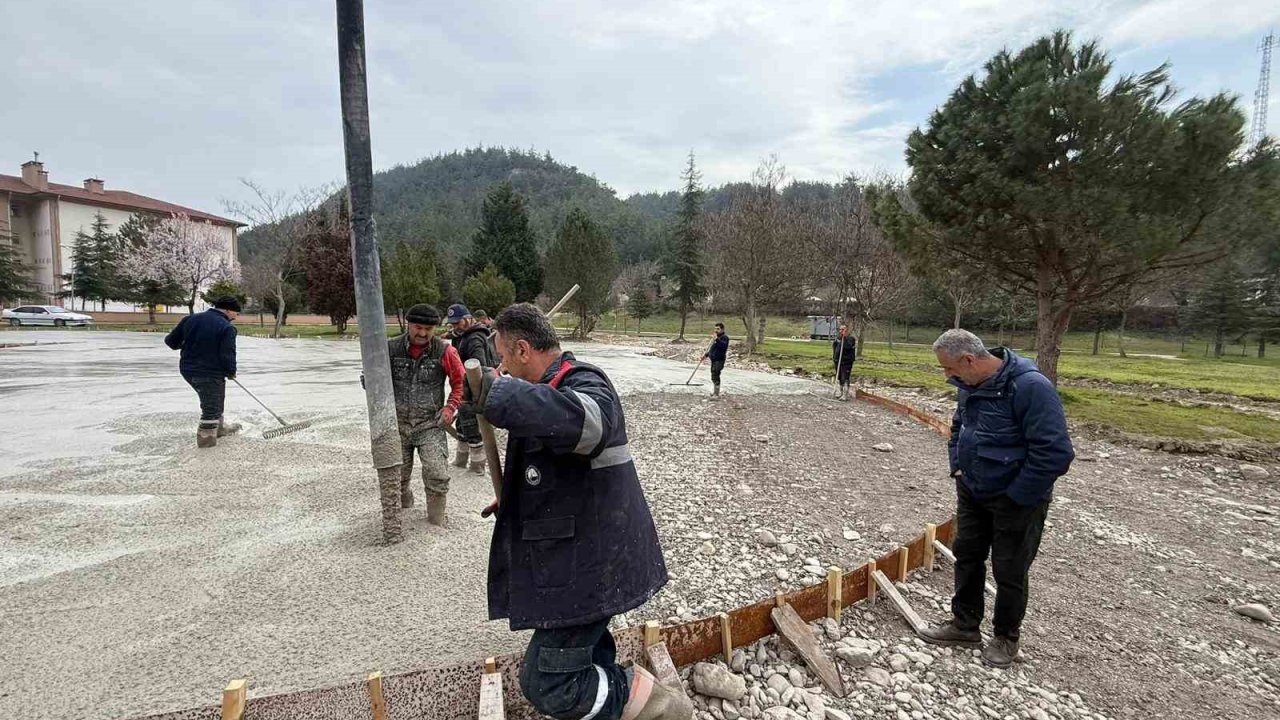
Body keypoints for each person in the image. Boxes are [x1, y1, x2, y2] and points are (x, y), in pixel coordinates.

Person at [464, 303, 688, 720]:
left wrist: (500, 393)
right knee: (585, 654)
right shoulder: (546, 390)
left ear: (523, 349)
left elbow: (588, 429)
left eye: (502, 357)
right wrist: (516, 498)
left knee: (547, 682)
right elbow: (558, 468)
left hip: (593, 564)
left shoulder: (584, 382)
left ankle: (660, 707)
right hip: (581, 557)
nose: (501, 366)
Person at [919, 329, 1074, 669]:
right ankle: (964, 625)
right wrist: (958, 467)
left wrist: (1018, 495)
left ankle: (1006, 637)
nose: (947, 376)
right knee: (968, 556)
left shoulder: (1030, 387)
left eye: (949, 369)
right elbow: (959, 427)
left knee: (1010, 568)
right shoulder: (968, 386)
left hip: (1017, 499)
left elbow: (1055, 453)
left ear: (969, 360)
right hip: (973, 490)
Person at [384, 304, 465, 524]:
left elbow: (460, 383)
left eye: (428, 329)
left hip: (431, 424)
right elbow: (375, 380)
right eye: (418, 327)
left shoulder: (445, 352)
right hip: (397, 425)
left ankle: (436, 520)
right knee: (395, 477)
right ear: (408, 324)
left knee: (437, 474)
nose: (422, 333)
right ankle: (400, 510)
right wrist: (370, 381)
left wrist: (450, 408)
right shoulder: (389, 349)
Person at [164, 296, 242, 448]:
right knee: (211, 406)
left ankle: (219, 429)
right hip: (208, 372)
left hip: (187, 369)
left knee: (216, 397)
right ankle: (206, 444)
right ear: (227, 310)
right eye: (236, 313)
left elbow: (171, 342)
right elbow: (228, 353)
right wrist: (231, 371)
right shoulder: (227, 327)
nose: (236, 316)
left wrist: (192, 345)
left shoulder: (190, 319)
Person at [446, 303, 498, 474]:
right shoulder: (461, 336)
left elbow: (479, 367)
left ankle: (477, 466)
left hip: (473, 389)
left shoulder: (474, 338)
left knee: (471, 426)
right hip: (463, 387)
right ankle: (461, 460)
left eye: (458, 322)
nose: (455, 327)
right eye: (453, 324)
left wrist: (471, 392)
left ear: (468, 318)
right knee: (462, 425)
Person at [704, 323, 729, 398]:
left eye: (718, 329)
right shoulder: (716, 338)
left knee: (716, 375)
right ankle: (715, 392)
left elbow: (723, 347)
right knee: (713, 375)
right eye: (715, 329)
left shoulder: (724, 338)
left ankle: (716, 394)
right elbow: (713, 349)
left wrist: (717, 339)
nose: (716, 330)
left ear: (722, 329)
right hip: (714, 360)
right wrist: (706, 355)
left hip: (719, 360)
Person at [832, 325, 856, 400]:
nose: (841, 331)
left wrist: (844, 338)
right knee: (839, 377)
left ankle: (845, 394)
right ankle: (841, 392)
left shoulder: (851, 339)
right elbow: (835, 348)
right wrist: (835, 358)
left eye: (843, 329)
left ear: (846, 330)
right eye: (840, 329)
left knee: (845, 377)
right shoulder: (838, 339)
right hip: (838, 361)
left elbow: (848, 346)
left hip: (846, 362)